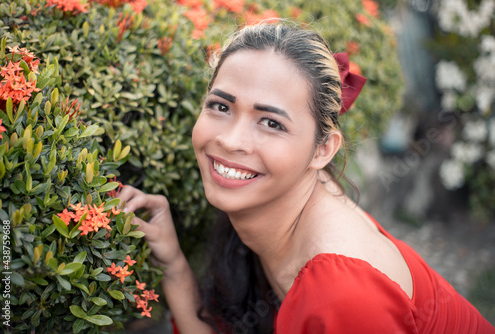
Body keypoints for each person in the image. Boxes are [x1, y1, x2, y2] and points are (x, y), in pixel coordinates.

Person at [118, 23, 495, 334]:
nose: (229, 140)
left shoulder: (339, 292)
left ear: (322, 150)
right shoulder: (276, 202)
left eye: (271, 122)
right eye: (221, 106)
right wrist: (173, 264)